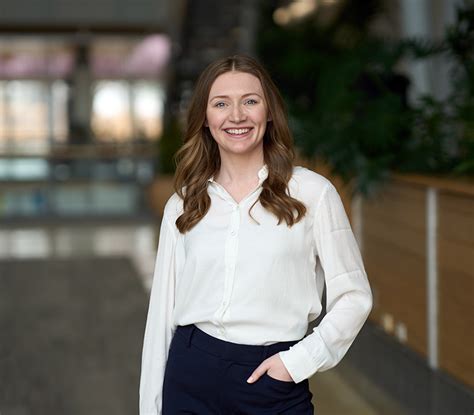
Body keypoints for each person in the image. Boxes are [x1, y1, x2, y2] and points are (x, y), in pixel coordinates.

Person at [139, 54, 373, 415]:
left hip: (271, 381)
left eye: (250, 101)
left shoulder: (312, 194)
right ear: (205, 118)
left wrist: (297, 362)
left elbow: (354, 296)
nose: (237, 116)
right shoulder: (184, 204)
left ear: (269, 112)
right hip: (190, 373)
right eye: (221, 104)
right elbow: (161, 317)